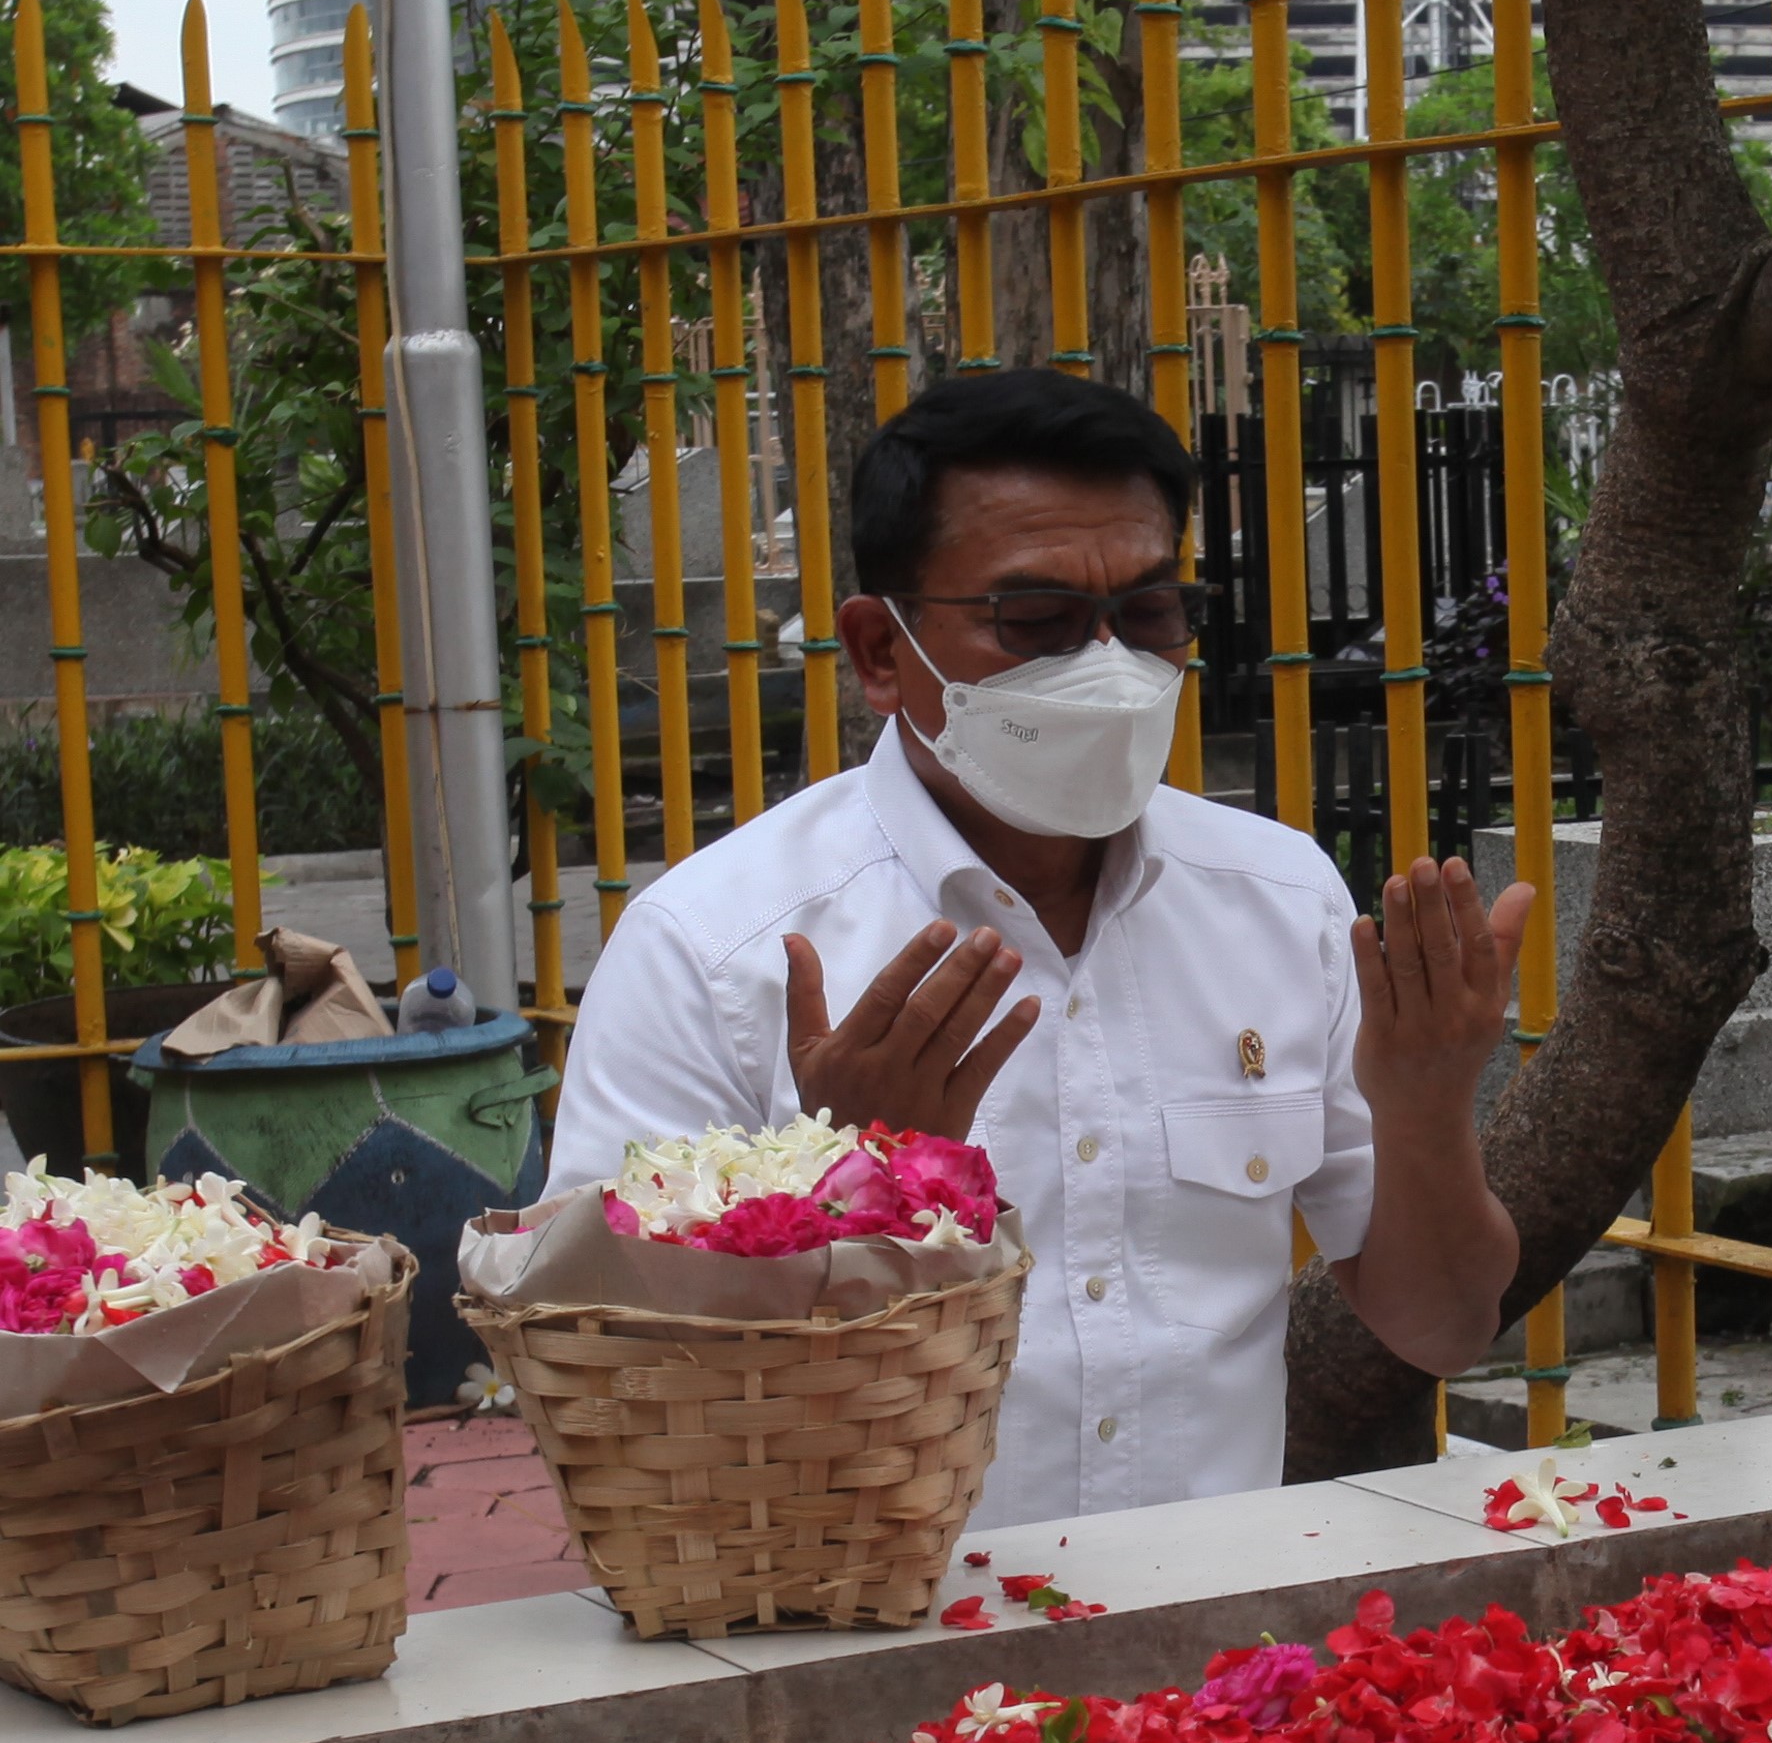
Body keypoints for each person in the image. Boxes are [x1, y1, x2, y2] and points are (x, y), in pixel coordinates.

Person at [547, 369, 1534, 1531]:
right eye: (1038, 623)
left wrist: (1423, 1107)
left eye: (1151, 615)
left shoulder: (1279, 899)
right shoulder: (720, 948)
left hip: (1205, 1654)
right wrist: (861, 1188)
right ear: (879, 651)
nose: (1108, 669)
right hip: (851, 1633)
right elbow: (596, 1372)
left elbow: (1441, 1325)